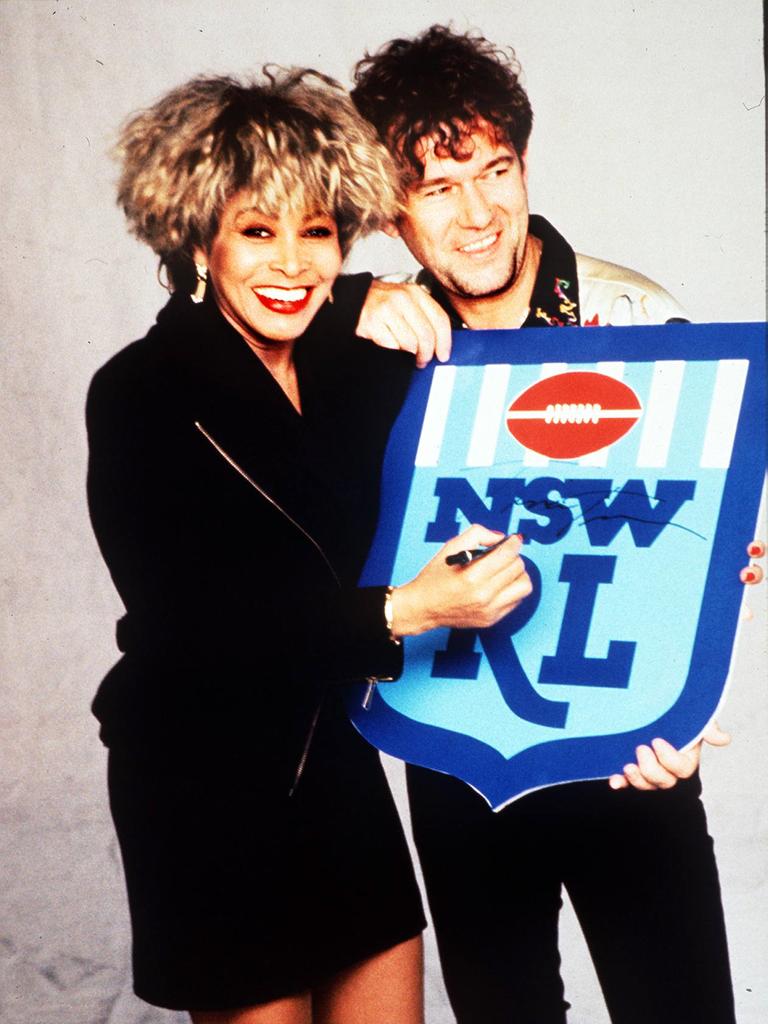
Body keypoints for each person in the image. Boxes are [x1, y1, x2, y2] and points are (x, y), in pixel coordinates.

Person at [86, 68, 533, 1024]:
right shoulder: (138, 392)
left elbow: (496, 460)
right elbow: (194, 627)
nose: (291, 262)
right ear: (199, 241)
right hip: (206, 785)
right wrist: (407, 612)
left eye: (318, 231)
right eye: (257, 230)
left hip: (336, 766)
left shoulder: (352, 364)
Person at [342, 25, 748, 1024]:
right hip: (457, 748)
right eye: (438, 187)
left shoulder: (639, 318)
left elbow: (708, 548)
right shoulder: (369, 343)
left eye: (495, 171)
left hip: (624, 746)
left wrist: (687, 693)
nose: (478, 214)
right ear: (393, 212)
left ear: (526, 166)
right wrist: (348, 303)